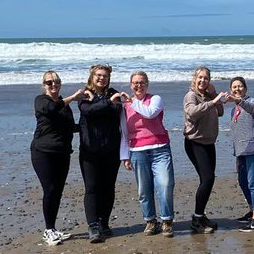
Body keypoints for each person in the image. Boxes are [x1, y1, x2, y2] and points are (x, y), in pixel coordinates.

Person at [30, 70, 85, 246]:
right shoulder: (41, 101)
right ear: (44, 85)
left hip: (62, 152)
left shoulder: (64, 105)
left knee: (58, 191)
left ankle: (53, 228)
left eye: (56, 81)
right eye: (49, 82)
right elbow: (51, 109)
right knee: (50, 189)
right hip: (43, 153)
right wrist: (73, 97)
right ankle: (48, 230)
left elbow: (70, 127)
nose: (54, 85)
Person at [120, 71, 175, 237]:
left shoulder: (155, 99)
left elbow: (150, 113)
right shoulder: (125, 106)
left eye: (142, 82)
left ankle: (167, 220)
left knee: (165, 185)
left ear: (147, 84)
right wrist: (125, 156)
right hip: (137, 151)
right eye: (135, 83)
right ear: (131, 85)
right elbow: (123, 131)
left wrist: (132, 101)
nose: (139, 86)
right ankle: (151, 221)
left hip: (160, 148)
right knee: (144, 190)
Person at [76, 63, 125, 243]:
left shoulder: (114, 93)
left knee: (108, 187)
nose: (101, 78)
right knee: (92, 187)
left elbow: (116, 110)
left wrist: (104, 105)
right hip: (90, 149)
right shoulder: (84, 94)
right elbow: (87, 111)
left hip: (111, 148)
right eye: (98, 75)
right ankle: (93, 226)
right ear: (92, 76)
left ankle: (104, 222)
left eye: (104, 76)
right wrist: (106, 104)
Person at [182, 65, 228, 233]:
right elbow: (192, 113)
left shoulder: (208, 95)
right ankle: (196, 219)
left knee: (208, 179)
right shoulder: (191, 96)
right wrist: (212, 102)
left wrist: (214, 95)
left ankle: (200, 216)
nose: (203, 80)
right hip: (195, 143)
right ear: (195, 79)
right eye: (200, 77)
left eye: (206, 78)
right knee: (207, 179)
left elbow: (221, 111)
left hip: (209, 142)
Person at [228, 76, 254, 232]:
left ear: (245, 88)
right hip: (242, 151)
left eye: (240, 86)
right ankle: (253, 210)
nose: (237, 89)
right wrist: (237, 154)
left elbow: (253, 110)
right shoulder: (233, 110)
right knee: (243, 182)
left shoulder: (252, 101)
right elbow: (236, 133)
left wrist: (238, 100)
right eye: (234, 87)